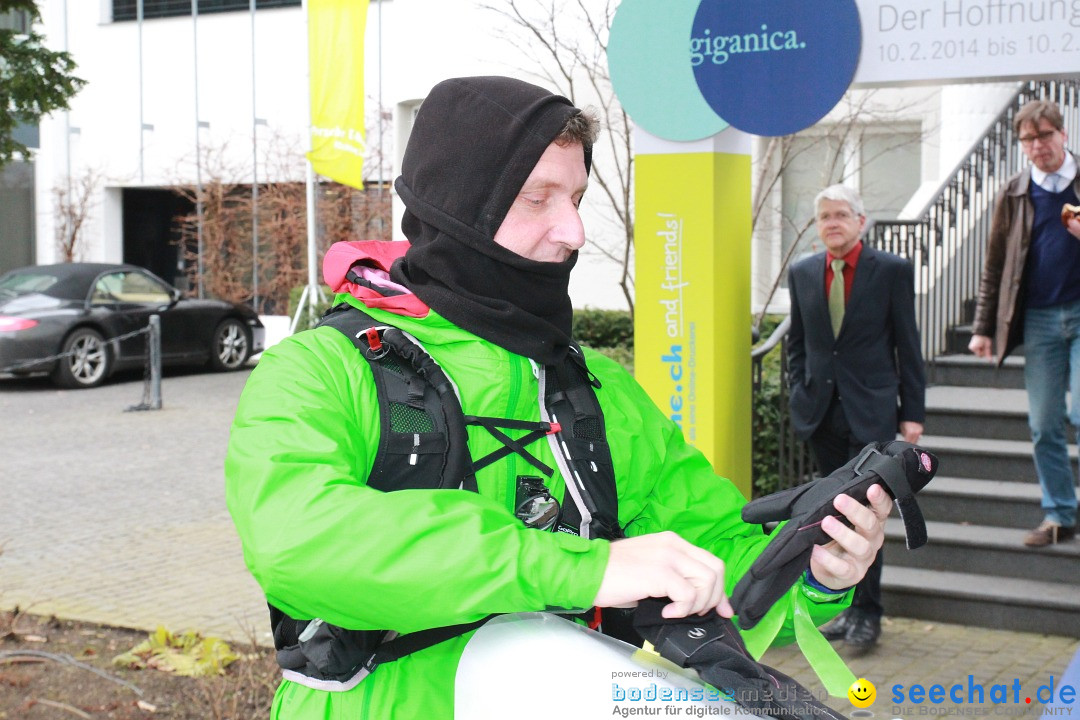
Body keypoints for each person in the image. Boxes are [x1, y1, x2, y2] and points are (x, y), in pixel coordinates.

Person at [225, 76, 891, 719]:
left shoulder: (596, 389)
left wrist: (816, 567)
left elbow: (717, 557)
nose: (571, 231)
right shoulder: (320, 369)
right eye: (538, 199)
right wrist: (587, 570)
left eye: (576, 197)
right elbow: (301, 544)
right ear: (459, 206)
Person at [786, 184, 926, 650]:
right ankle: (843, 608)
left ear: (860, 221)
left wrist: (913, 414)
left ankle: (869, 613)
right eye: (824, 216)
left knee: (866, 513)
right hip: (822, 413)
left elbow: (907, 344)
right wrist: (797, 393)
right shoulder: (804, 272)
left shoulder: (890, 270)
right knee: (832, 515)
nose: (832, 223)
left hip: (872, 411)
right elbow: (798, 345)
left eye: (841, 215)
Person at [969, 99, 1080, 548]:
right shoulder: (1015, 192)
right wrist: (982, 327)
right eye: (1028, 141)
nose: (1037, 147)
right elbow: (995, 264)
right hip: (1037, 320)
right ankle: (1058, 514)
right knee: (1044, 423)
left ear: (1063, 135)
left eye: (1045, 136)